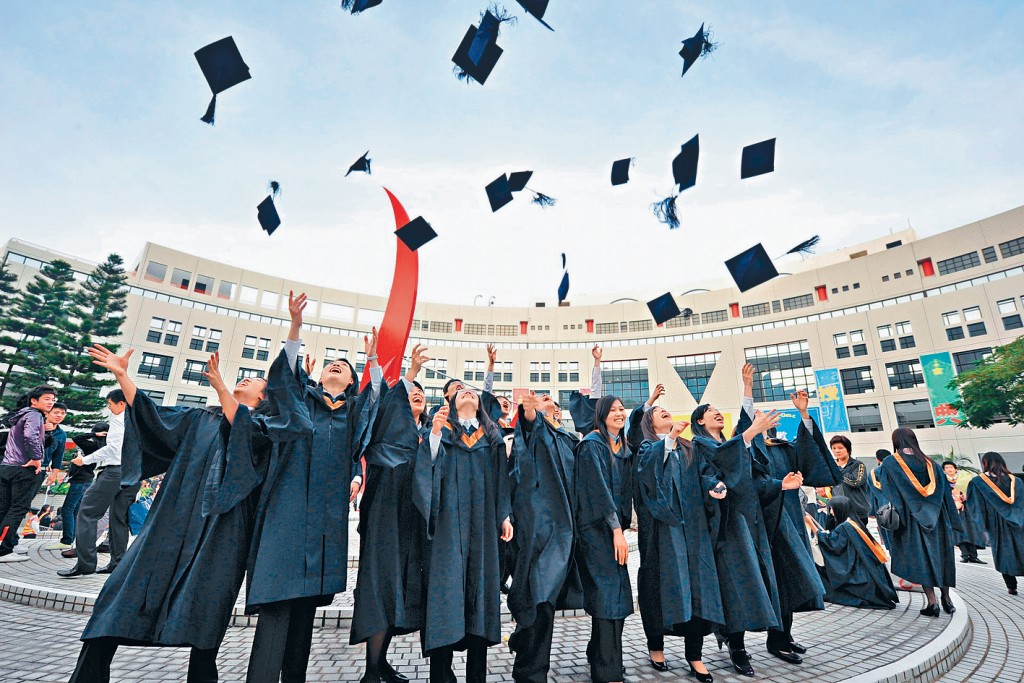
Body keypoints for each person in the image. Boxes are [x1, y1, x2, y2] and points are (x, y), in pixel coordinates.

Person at [67, 342, 306, 683]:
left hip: (223, 528)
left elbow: (244, 434)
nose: (248, 379)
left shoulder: (266, 429)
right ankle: (88, 675)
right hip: (170, 519)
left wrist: (223, 387)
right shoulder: (200, 416)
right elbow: (152, 417)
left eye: (256, 380)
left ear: (265, 397)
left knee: (207, 605)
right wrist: (123, 375)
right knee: (122, 592)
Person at [245, 293, 384, 683]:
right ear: (317, 376)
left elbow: (377, 401)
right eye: (330, 364)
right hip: (287, 516)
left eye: (345, 367)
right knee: (278, 603)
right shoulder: (300, 403)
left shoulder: (354, 413)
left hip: (324, 522)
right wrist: (295, 326)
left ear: (352, 383)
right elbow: (284, 381)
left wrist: (372, 360)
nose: (337, 365)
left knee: (304, 608)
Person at [690, 364, 793, 679]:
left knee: (752, 583)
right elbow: (715, 468)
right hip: (723, 529)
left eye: (720, 410)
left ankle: (761, 639)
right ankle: (736, 647)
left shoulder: (729, 443)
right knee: (735, 586)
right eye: (711, 411)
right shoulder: (700, 445)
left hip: (747, 524)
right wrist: (715, 486)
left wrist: (747, 387)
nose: (718, 413)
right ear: (699, 421)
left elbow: (742, 447)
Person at [413, 386, 512, 683]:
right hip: (447, 529)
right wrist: (435, 433)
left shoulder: (492, 438)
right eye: (461, 392)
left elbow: (501, 481)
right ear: (451, 402)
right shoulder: (441, 432)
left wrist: (505, 515)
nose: (467, 393)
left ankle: (476, 677)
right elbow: (425, 474)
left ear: (481, 403)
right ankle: (441, 676)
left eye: (473, 392)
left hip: (482, 528)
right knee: (446, 595)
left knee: (480, 594)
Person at [351, 344, 432, 683]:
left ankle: (381, 662)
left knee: (400, 589)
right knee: (379, 585)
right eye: (410, 393)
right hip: (386, 513)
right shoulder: (389, 427)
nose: (415, 396)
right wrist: (410, 372)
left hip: (414, 522)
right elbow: (381, 401)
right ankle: (371, 671)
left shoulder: (429, 435)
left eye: (420, 395)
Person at [749, 387, 841, 664]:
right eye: (755, 416)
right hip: (765, 524)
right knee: (776, 581)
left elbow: (810, 457)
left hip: (790, 519)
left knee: (789, 579)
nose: (762, 417)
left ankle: (785, 635)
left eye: (762, 414)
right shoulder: (747, 449)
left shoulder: (783, 447)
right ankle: (775, 638)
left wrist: (803, 413)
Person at [635, 406, 726, 682]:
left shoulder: (690, 447)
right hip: (662, 533)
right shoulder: (647, 448)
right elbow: (646, 475)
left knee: (698, 588)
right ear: (649, 422)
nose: (665, 413)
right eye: (659, 412)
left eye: (666, 411)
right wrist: (669, 440)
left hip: (693, 531)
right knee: (658, 587)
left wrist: (714, 485)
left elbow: (704, 473)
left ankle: (695, 656)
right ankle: (656, 646)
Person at [506, 391, 581, 683]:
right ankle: (531, 673)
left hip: (566, 530)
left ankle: (522, 640)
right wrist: (529, 413)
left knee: (544, 598)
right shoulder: (536, 430)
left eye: (549, 400)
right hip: (537, 528)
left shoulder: (569, 439)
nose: (544, 400)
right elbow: (529, 429)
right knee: (540, 599)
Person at [572, 393, 633, 683]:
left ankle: (599, 652)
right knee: (608, 599)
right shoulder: (592, 445)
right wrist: (616, 530)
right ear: (602, 415)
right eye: (614, 410)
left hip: (614, 532)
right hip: (597, 532)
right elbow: (596, 489)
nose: (620, 413)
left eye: (622, 409)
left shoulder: (622, 446)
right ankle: (606, 672)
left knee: (617, 599)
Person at [879, 427, 961, 617]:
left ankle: (932, 602)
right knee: (942, 557)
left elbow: (889, 493)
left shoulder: (891, 463)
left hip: (912, 521)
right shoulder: (931, 463)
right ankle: (947, 599)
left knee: (922, 559)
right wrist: (953, 521)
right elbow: (946, 495)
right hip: (938, 520)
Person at [58, 390, 138, 577]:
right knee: (119, 519)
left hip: (114, 472)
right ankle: (116, 563)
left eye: (111, 404)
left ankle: (85, 563)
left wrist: (84, 461)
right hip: (133, 474)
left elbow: (112, 449)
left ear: (122, 404)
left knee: (86, 513)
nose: (109, 408)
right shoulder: (138, 423)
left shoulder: (119, 421)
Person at [0, 385, 57, 562]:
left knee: (4, 508)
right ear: (34, 400)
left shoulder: (17, 416)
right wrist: (37, 458)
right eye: (47, 399)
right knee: (17, 509)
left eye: (52, 400)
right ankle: (4, 550)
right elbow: (31, 436)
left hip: (6, 467)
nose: (51, 403)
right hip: (23, 469)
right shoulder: (34, 415)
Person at [813, 496, 899, 609]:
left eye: (831, 509)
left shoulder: (845, 526)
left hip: (860, 574)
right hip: (868, 570)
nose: (830, 512)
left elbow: (832, 544)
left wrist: (812, 526)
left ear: (840, 509)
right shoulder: (853, 522)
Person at [967, 452, 1024, 596]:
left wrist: (983, 526)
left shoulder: (978, 482)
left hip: (997, 524)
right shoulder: (1017, 481)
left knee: (1004, 553)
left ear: (985, 463)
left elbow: (976, 507)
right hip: (1021, 522)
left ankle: (1012, 586)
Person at [48, 423, 104, 550]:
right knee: (74, 511)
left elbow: (77, 438)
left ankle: (67, 540)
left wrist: (93, 434)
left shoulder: (92, 445)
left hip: (80, 481)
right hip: (87, 480)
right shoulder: (102, 446)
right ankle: (70, 538)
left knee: (67, 509)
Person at [943, 461, 987, 564]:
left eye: (951, 467)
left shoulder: (964, 480)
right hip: (954, 509)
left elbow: (973, 492)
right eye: (946, 468)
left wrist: (966, 496)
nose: (949, 469)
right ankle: (965, 555)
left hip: (966, 508)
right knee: (959, 532)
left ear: (956, 469)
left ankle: (974, 556)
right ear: (944, 471)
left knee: (971, 531)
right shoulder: (944, 481)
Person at [829, 435, 871, 528]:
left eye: (840, 448)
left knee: (859, 539)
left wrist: (838, 470)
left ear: (848, 449)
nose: (837, 451)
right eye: (834, 448)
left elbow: (856, 482)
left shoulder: (858, 465)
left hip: (857, 511)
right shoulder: (831, 466)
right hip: (838, 511)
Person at [869, 450, 893, 549]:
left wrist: (872, 512)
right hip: (899, 507)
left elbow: (871, 494)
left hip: (882, 508)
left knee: (888, 535)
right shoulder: (897, 470)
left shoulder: (873, 473)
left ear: (878, 459)